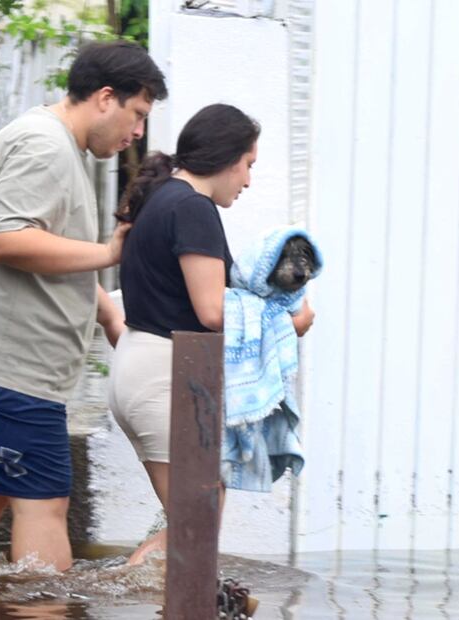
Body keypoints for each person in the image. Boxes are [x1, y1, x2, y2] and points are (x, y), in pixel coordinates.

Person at [0, 41, 167, 571]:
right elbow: (6, 239)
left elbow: (43, 245)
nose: (137, 132)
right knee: (44, 506)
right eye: (137, 114)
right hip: (2, 367)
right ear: (104, 98)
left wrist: (103, 309)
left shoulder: (50, 142)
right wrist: (111, 252)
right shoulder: (46, 146)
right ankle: (42, 609)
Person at [108, 103, 315, 565]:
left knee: (190, 519)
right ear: (226, 158)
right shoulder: (192, 207)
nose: (248, 180)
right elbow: (212, 311)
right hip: (161, 375)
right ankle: (106, 592)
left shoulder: (164, 198)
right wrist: (289, 323)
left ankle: (131, 592)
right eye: (248, 166)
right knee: (196, 525)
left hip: (139, 366)